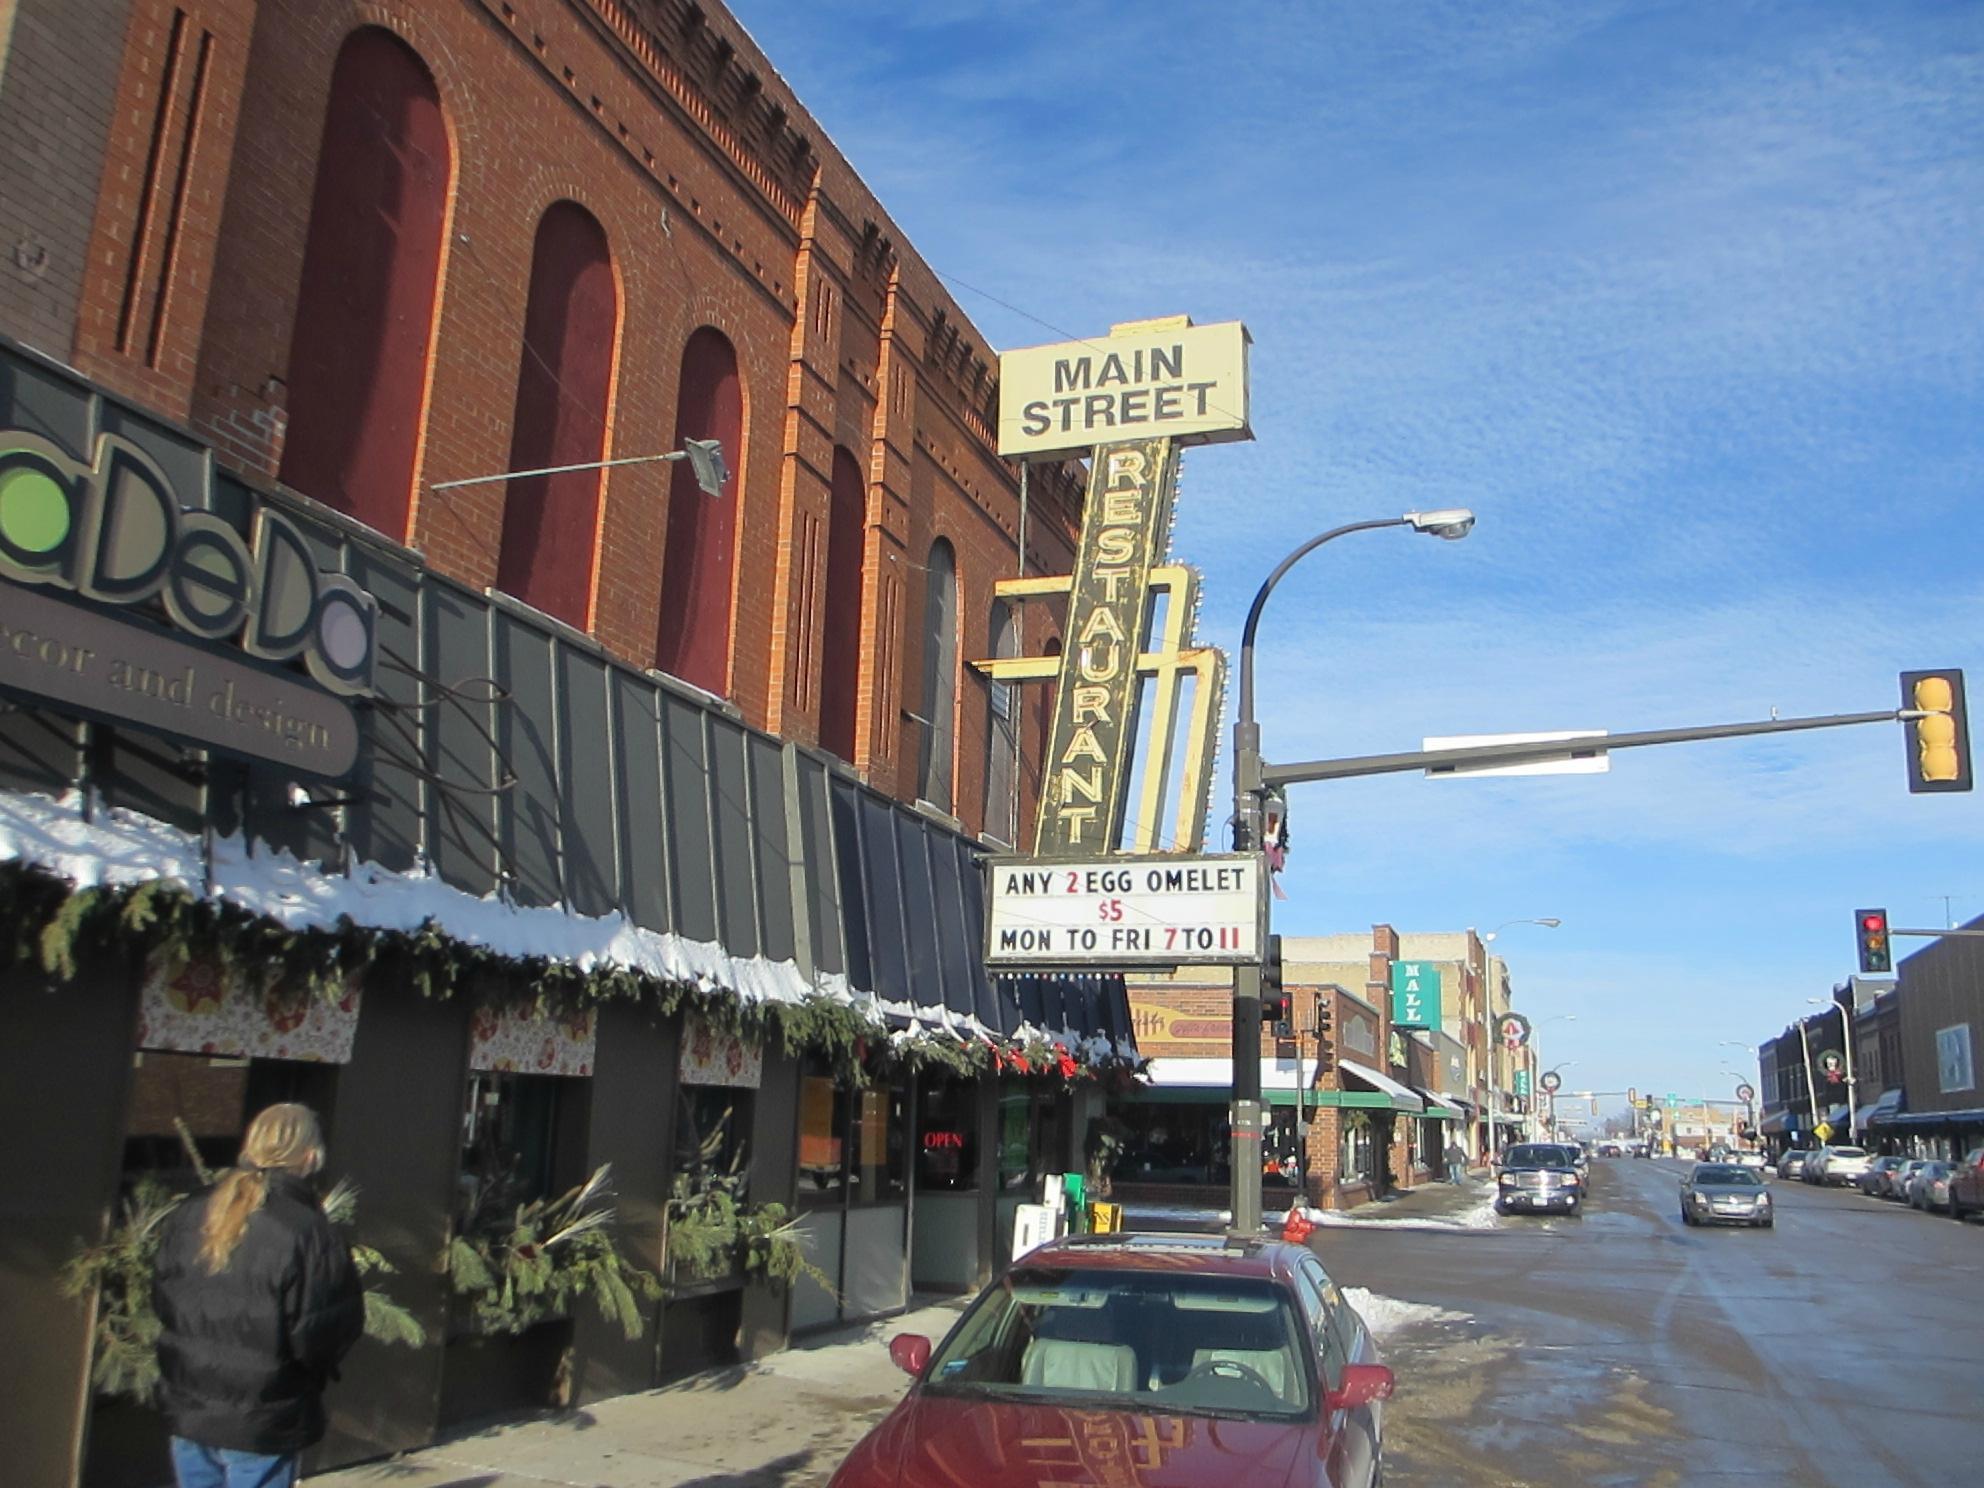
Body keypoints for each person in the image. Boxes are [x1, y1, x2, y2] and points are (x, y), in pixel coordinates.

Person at [152, 1103, 365, 1488]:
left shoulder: (190, 1212)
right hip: (263, 1412)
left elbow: (163, 1300)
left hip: (190, 1405)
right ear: (311, 1156)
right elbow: (324, 1331)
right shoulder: (308, 1230)